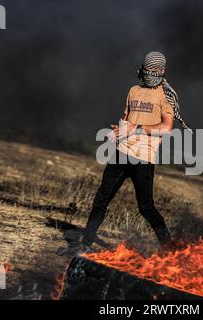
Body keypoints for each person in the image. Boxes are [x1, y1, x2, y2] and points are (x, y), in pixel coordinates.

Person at [81, 51, 191, 250]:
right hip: (121, 153)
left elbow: (166, 129)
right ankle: (83, 245)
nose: (150, 74)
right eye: (147, 69)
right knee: (100, 200)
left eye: (154, 70)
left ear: (162, 71)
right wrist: (119, 129)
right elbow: (126, 119)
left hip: (143, 159)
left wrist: (136, 129)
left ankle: (170, 249)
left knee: (146, 208)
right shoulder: (133, 90)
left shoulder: (166, 96)